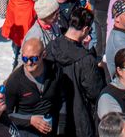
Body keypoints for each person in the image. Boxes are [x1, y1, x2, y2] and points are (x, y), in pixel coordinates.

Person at [46, 7, 107, 137]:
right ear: (85, 29)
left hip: (54, 111)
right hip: (78, 115)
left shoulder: (52, 46)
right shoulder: (86, 59)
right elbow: (94, 91)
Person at [4, 37, 58, 135]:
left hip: (51, 125)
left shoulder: (54, 70)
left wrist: (61, 128)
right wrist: (30, 120)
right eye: (25, 58)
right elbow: (7, 114)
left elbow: (62, 99)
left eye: (33, 58)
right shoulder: (14, 81)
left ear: (43, 55)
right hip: (27, 130)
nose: (29, 63)